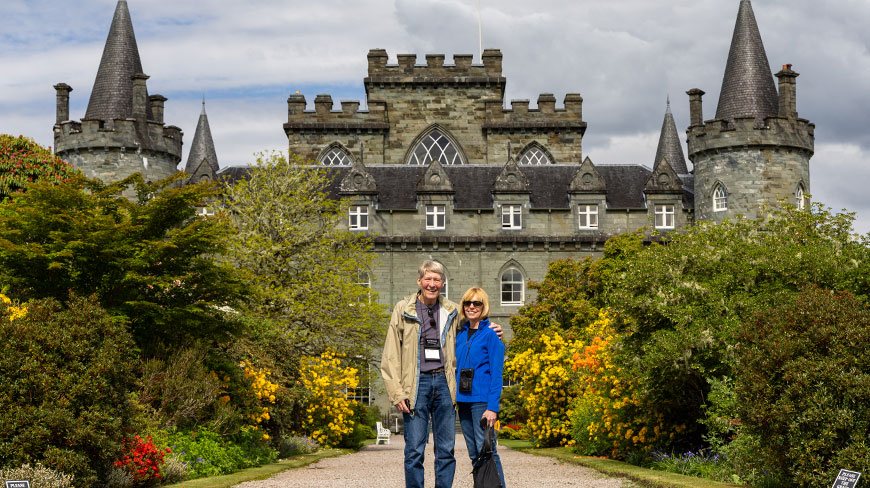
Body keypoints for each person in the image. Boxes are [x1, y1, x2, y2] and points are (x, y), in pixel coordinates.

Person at [380, 261, 502, 488]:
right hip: (416, 386)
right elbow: (390, 355)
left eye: (437, 280)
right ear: (419, 281)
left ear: (443, 284)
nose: (432, 284)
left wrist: (492, 327)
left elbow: (474, 324)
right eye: (428, 279)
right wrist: (397, 393)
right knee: (414, 449)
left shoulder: (453, 310)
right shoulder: (402, 309)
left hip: (445, 385)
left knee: (446, 450)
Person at [455, 287, 507, 487]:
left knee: (487, 449)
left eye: (477, 303)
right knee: (473, 452)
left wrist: (493, 407)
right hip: (463, 401)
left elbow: (496, 374)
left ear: (484, 307)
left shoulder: (491, 334)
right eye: (468, 303)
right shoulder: (459, 334)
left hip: (481, 402)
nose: (471, 307)